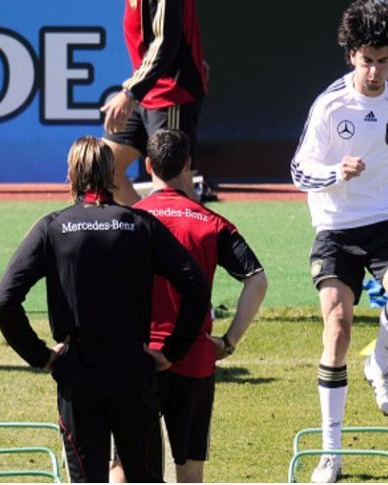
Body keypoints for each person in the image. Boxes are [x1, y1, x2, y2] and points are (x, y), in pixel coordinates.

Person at [289, 1, 388, 482]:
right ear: (351, 56)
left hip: (385, 219)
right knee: (336, 324)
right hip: (335, 225)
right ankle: (330, 453)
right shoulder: (329, 104)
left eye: (383, 60)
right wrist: (335, 172)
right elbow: (298, 169)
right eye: (367, 61)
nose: (375, 71)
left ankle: (380, 362)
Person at [0, 135, 210, 483]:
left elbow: (4, 300)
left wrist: (42, 357)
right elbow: (195, 287)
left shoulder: (53, 227)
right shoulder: (140, 225)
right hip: (133, 375)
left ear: (70, 175)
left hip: (77, 375)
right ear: (112, 174)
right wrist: (171, 351)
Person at [109, 129, 268, 483]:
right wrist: (228, 342)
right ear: (188, 165)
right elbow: (257, 281)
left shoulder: (127, 219)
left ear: (147, 165)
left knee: (124, 464)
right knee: (190, 469)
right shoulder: (212, 223)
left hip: (138, 358)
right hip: (194, 359)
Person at [100, 0, 209, 205]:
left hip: (172, 94)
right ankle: (146, 231)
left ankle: (201, 237)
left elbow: (165, 42)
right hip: (145, 91)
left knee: (174, 187)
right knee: (105, 169)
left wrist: (131, 93)